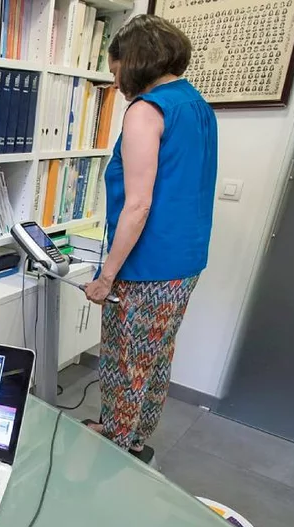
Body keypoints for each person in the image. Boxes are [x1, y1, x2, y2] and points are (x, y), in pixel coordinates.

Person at [83, 14, 217, 463]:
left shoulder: (145, 111)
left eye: (115, 64)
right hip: (185, 259)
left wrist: (106, 277)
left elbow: (138, 205)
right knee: (156, 356)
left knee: (126, 360)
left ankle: (115, 450)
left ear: (134, 59)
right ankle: (135, 436)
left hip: (148, 263)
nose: (113, 75)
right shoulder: (195, 104)